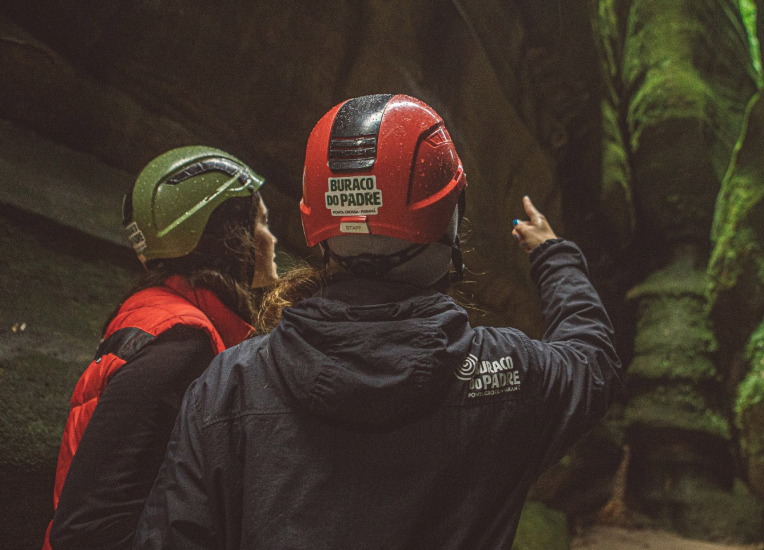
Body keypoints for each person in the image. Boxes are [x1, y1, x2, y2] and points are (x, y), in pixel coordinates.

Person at [134, 94, 623, 549]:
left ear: (316, 222)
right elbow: (593, 360)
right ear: (449, 221)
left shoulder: (231, 385)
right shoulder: (508, 376)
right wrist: (554, 258)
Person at [44, 146, 279, 549]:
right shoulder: (182, 343)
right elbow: (86, 528)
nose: (271, 240)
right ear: (228, 236)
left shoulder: (163, 314)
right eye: (261, 223)